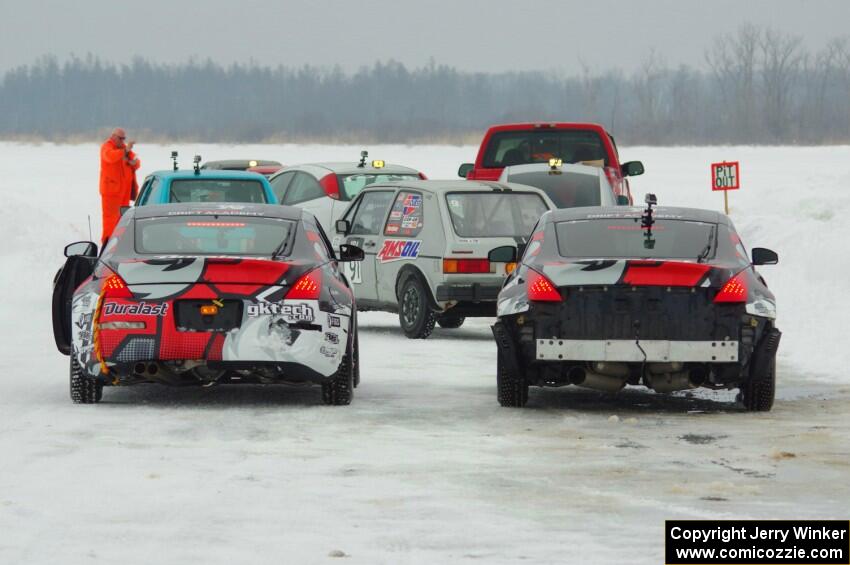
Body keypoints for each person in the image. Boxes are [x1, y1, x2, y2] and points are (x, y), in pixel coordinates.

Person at [99, 128, 140, 245]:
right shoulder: (106, 147)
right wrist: (125, 151)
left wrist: (133, 162)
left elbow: (137, 161)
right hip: (111, 191)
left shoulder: (124, 149)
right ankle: (107, 243)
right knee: (110, 219)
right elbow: (109, 157)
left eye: (124, 139)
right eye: (120, 138)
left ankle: (119, 242)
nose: (122, 141)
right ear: (113, 136)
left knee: (122, 218)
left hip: (124, 191)